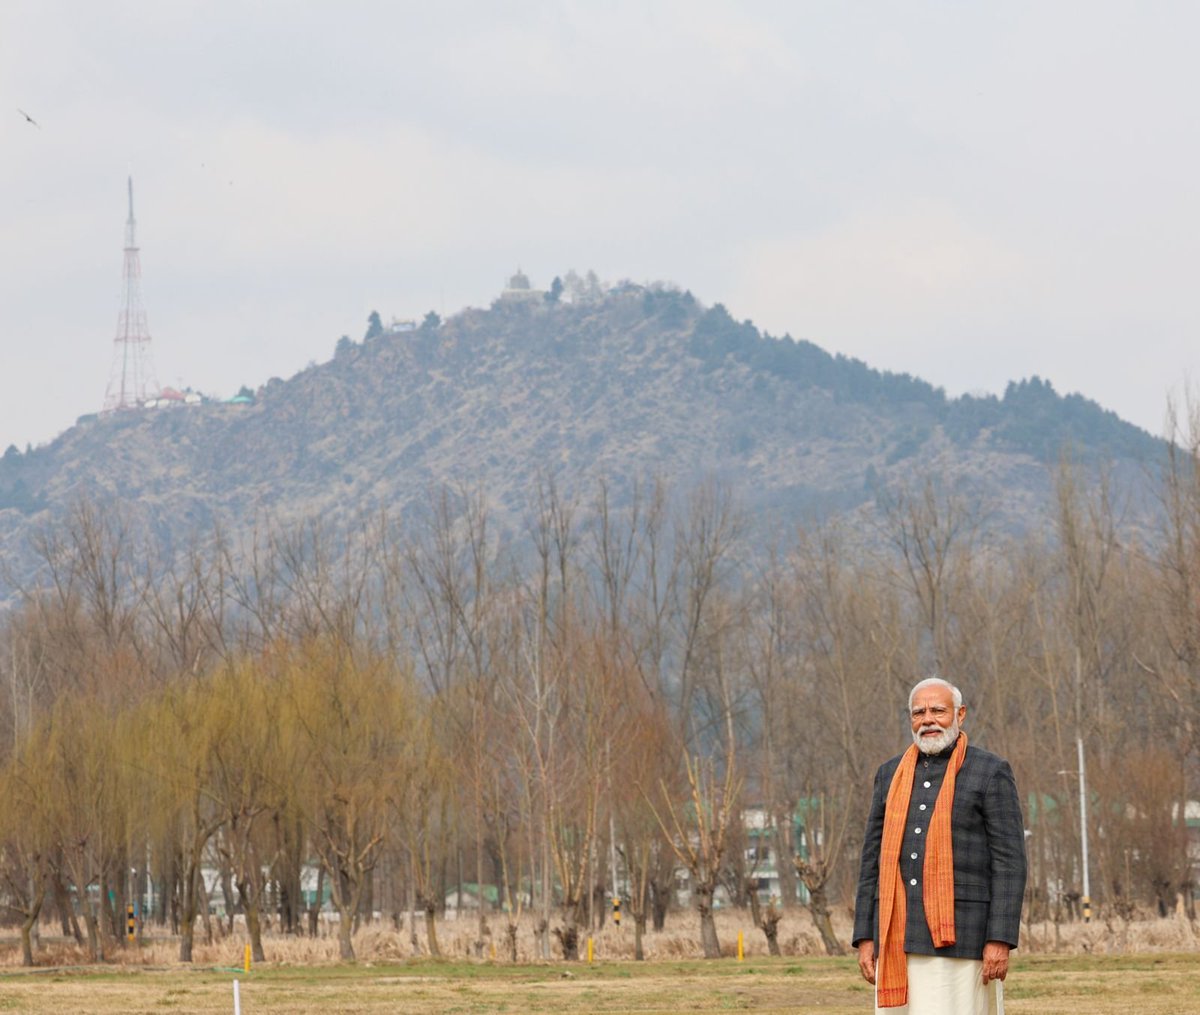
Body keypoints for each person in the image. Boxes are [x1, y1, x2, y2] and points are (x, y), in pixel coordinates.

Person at [852, 677, 1027, 1014]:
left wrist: (1000, 939)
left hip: (964, 939)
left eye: (937, 710)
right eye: (918, 712)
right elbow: (871, 862)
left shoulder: (990, 771)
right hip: (895, 940)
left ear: (960, 714)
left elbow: (1010, 863)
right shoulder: (888, 774)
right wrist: (865, 937)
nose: (928, 719)